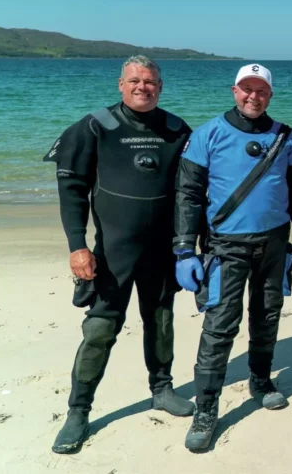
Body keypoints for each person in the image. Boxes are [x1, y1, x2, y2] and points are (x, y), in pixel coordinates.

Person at [44, 56, 195, 454]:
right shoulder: (97, 126)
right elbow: (72, 189)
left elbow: (195, 191)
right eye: (134, 80)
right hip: (113, 252)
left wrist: (194, 244)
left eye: (150, 81)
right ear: (120, 84)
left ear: (161, 87)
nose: (142, 86)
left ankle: (161, 389)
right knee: (99, 330)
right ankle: (78, 411)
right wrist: (77, 245)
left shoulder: (177, 129)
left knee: (161, 320)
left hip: (162, 249)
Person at [173, 63, 292, 452]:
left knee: (267, 315)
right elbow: (188, 195)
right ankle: (206, 408)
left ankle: (261, 380)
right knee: (219, 327)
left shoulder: (285, 137)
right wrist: (184, 249)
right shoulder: (207, 135)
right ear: (234, 91)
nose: (253, 96)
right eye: (246, 89)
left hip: (273, 244)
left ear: (270, 95)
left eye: (261, 91)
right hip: (226, 247)